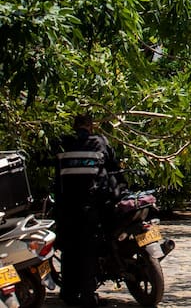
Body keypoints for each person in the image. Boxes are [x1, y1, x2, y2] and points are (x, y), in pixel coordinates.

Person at [55, 114, 123, 307]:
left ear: (74, 126)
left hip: (67, 208)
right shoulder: (101, 142)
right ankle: (87, 295)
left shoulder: (63, 143)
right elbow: (113, 169)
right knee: (88, 251)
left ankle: (68, 292)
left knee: (69, 250)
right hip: (91, 207)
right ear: (91, 127)